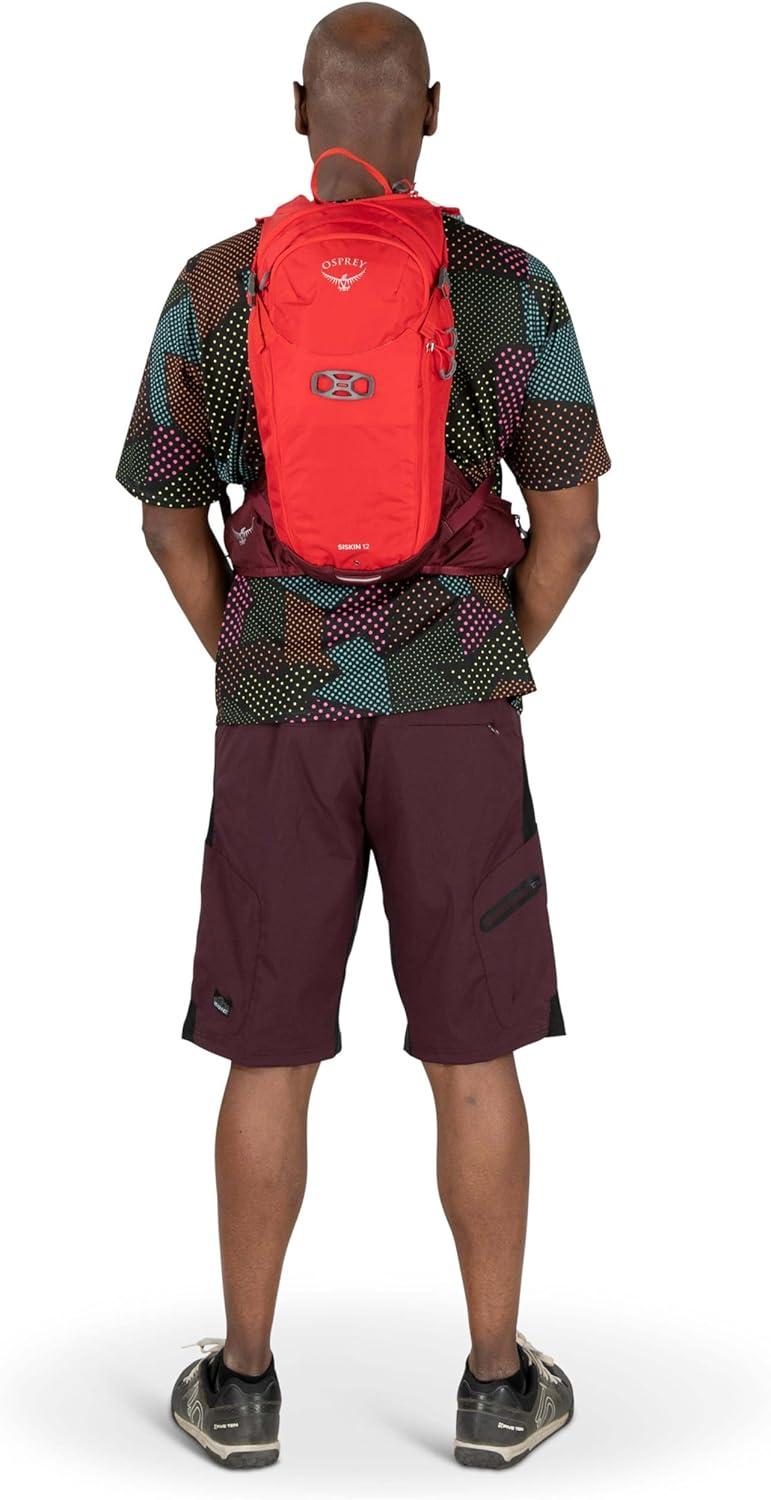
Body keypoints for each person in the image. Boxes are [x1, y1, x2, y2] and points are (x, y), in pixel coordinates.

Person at [116, 1, 610, 1472]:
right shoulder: (507, 287)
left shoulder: (219, 285)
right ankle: (499, 1386)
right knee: (474, 1047)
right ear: (433, 112)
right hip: (457, 695)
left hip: (281, 701)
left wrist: (256, 654)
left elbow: (165, 510)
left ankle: (244, 1386)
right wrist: (485, 652)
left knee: (267, 1048)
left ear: (297, 108)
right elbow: (574, 521)